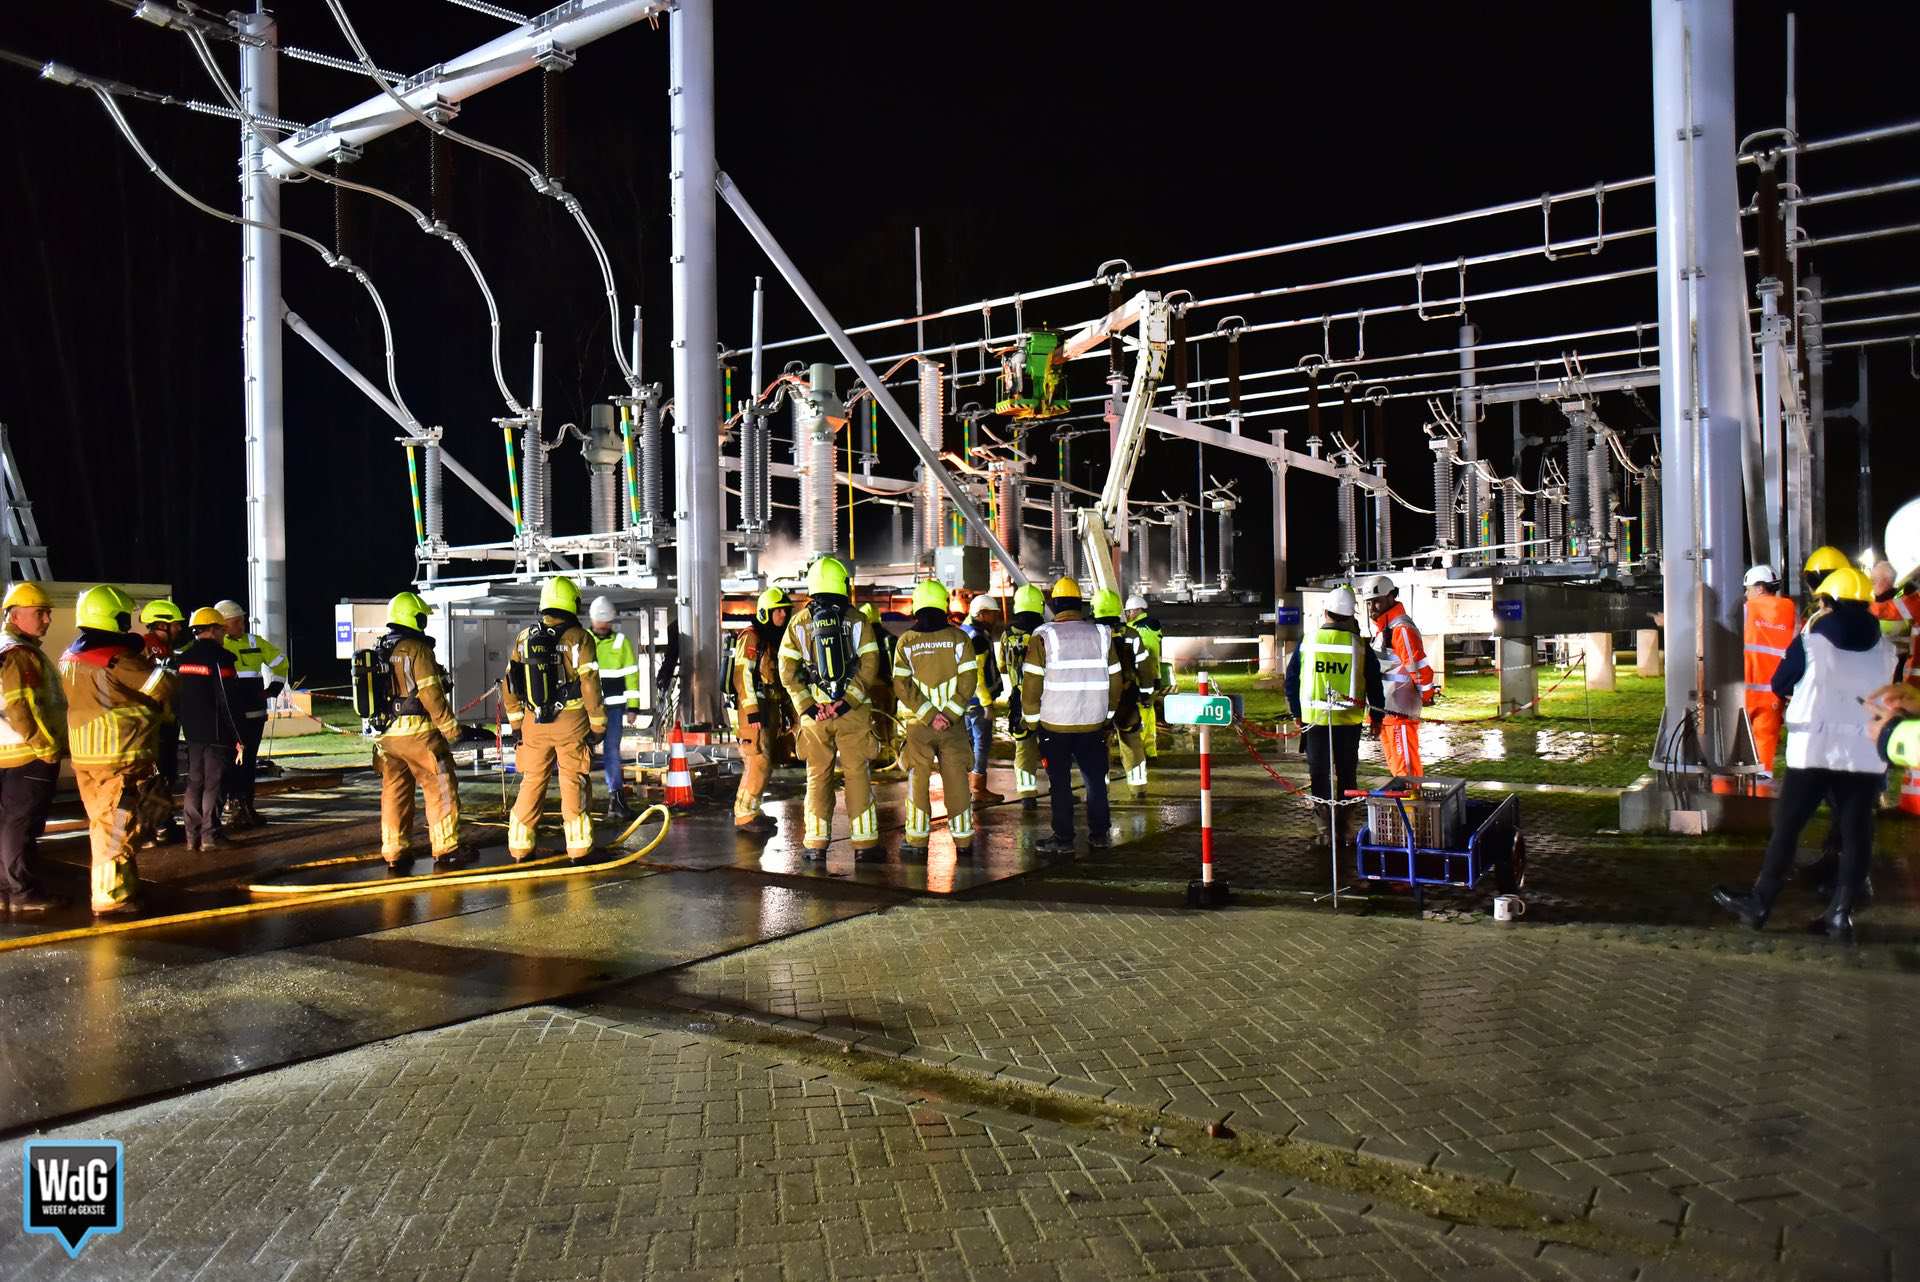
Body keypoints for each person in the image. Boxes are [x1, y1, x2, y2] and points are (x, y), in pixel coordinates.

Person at [1713, 568, 1897, 944]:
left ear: (1828, 602)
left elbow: (1781, 682)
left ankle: (1760, 904)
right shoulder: (1887, 649)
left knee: (1788, 828)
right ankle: (1840, 914)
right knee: (1857, 832)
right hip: (1863, 754)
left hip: (1814, 752)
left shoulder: (1811, 640)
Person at [60, 585, 176, 915]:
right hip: (119, 756)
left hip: (90, 756)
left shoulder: (72, 655)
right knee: (120, 828)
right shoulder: (116, 659)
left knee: (115, 822)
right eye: (124, 619)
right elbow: (163, 685)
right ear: (112, 618)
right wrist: (155, 663)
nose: (128, 626)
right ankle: (112, 897)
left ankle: (123, 883)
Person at [779, 556, 882, 860]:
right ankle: (864, 846)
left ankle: (815, 845)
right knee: (856, 774)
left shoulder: (799, 622)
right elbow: (870, 662)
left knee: (817, 776)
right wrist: (847, 700)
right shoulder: (857, 619)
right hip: (852, 713)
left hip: (816, 718)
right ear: (843, 585)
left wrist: (809, 707)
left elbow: (787, 670)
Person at [500, 576, 606, 862]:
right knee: (573, 779)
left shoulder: (524, 638)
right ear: (572, 603)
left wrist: (516, 725)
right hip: (571, 721)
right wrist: (598, 725)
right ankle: (579, 848)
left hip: (533, 722)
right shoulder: (580, 638)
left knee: (532, 780)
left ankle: (520, 847)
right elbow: (590, 684)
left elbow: (510, 684)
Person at [1021, 577, 1125, 855]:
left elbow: (1031, 685)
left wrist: (1031, 721)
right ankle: (1100, 834)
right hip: (1093, 723)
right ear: (1081, 605)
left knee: (1060, 783)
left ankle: (1064, 839)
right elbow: (1116, 680)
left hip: (1055, 726)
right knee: (1095, 780)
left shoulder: (1043, 636)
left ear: (1054, 605)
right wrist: (1108, 715)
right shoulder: (1102, 634)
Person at [370, 592, 471, 870]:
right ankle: (447, 849)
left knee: (395, 791)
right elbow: (431, 695)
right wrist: (452, 731)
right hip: (418, 734)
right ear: (412, 617)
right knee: (440, 787)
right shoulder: (416, 650)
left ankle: (394, 851)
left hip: (386, 737)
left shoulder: (381, 648)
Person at [1285, 586, 1385, 849]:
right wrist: (1377, 718)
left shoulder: (1309, 641)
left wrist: (1297, 712)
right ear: (1351, 616)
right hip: (1349, 723)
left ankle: (1324, 832)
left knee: (1319, 775)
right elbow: (1374, 683)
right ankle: (1346, 831)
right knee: (1347, 775)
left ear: (1326, 612)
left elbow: (1292, 679)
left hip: (1315, 722)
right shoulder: (1360, 645)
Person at [894, 580, 980, 859]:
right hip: (952, 726)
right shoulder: (959, 638)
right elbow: (969, 679)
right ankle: (964, 841)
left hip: (920, 727)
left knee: (918, 780)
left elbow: (901, 685)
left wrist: (930, 716)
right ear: (944, 605)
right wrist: (949, 714)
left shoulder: (906, 642)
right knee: (956, 780)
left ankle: (917, 842)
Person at [0, 582, 66, 912]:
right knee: (21, 825)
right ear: (15, 615)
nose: (47, 619)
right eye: (40, 613)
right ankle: (23, 893)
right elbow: (20, 706)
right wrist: (44, 746)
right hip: (26, 755)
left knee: (8, 824)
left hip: (8, 752)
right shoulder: (19, 654)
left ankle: (7, 890)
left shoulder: (6, 647)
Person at [173, 607, 245, 853]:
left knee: (194, 783)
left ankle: (191, 837)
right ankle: (211, 836)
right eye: (222, 630)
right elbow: (228, 700)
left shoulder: (183, 659)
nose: (224, 635)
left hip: (192, 732)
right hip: (217, 732)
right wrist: (238, 736)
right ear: (214, 630)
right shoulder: (221, 658)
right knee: (214, 784)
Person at [215, 599, 289, 831]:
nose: (242, 625)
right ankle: (231, 808)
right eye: (237, 622)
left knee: (248, 763)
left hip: (254, 715)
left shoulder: (255, 642)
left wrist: (274, 688)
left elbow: (280, 662)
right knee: (228, 764)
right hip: (229, 717)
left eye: (242, 621)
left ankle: (246, 807)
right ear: (223, 624)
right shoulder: (217, 645)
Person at [730, 587, 790, 834]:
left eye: (785, 612)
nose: (783, 617)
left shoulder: (770, 640)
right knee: (758, 761)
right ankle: (744, 815)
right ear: (766, 613)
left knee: (765, 761)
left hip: (769, 707)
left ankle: (751, 809)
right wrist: (752, 711)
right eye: (778, 612)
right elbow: (741, 675)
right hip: (753, 711)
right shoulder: (752, 637)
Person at [1362, 575, 1434, 779]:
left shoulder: (1400, 629)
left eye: (1377, 601)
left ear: (1391, 597)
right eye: (1369, 602)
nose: (1372, 607)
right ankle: (1404, 806)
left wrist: (1427, 696)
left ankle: (1412, 807)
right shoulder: (1384, 630)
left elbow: (1419, 669)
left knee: (1406, 769)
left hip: (1399, 712)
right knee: (1398, 768)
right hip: (1387, 711)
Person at [1093, 588, 1154, 798]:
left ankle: (1100, 789)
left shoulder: (1090, 635)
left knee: (1099, 745)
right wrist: (1146, 694)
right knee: (1132, 741)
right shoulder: (1131, 634)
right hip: (1127, 698)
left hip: (1098, 699)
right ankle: (1138, 788)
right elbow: (1145, 667)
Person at [1741, 565, 1797, 795]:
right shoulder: (1790, 610)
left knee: (1736, 739)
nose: (1746, 594)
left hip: (1745, 686)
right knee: (1766, 739)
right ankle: (1762, 790)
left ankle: (1732, 785)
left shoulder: (1746, 609)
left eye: (1748, 589)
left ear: (1760, 588)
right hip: (1775, 690)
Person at [138, 599, 187, 847]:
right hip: (154, 726)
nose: (179, 629)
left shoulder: (164, 651)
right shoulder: (148, 649)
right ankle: (156, 828)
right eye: (175, 625)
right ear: (160, 625)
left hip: (165, 723)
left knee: (165, 774)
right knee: (155, 777)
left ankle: (162, 824)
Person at [587, 596, 640, 821]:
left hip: (614, 708)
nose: (603, 628)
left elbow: (631, 676)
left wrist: (633, 707)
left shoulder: (621, 642)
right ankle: (580, 802)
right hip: (589, 709)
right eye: (600, 624)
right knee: (581, 753)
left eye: (606, 623)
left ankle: (616, 801)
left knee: (611, 753)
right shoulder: (584, 640)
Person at [1002, 584, 1048, 809]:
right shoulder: (1046, 631)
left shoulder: (1006, 634)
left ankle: (1027, 794)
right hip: (1046, 697)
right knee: (1052, 744)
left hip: (1018, 697)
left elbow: (1002, 666)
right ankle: (1059, 789)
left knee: (1023, 746)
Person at [961, 595, 1004, 803]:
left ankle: (964, 787)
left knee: (967, 742)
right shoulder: (977, 638)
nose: (995, 617)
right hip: (977, 701)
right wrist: (987, 703)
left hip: (964, 699)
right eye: (992, 614)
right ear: (982, 614)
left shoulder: (964, 631)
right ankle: (978, 788)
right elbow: (976, 675)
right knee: (981, 742)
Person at [1124, 594, 1172, 756]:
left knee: (1140, 714)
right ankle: (1150, 750)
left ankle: (1140, 751)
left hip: (1141, 677)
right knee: (1149, 713)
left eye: (1129, 612)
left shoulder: (1136, 629)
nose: (1128, 615)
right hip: (1155, 676)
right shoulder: (1153, 626)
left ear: (1137, 610)